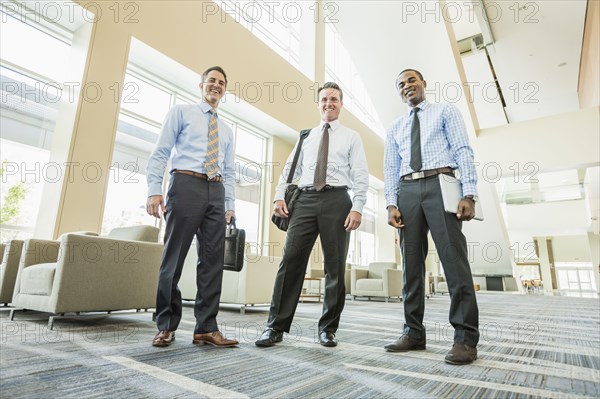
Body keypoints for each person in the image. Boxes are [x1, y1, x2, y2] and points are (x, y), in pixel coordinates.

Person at [255, 82, 369, 348]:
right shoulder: (306, 136)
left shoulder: (352, 137)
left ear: (341, 104)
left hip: (337, 200)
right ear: (318, 104)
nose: (329, 103)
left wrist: (358, 206)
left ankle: (328, 329)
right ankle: (275, 327)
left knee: (334, 266)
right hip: (304, 200)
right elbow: (289, 169)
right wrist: (278, 196)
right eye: (324, 99)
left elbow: (361, 174)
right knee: (291, 261)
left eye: (334, 99)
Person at [383, 69, 480, 365]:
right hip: (408, 190)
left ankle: (464, 338)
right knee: (411, 264)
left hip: (442, 185)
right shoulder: (395, 126)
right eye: (401, 84)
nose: (407, 86)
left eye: (412, 80)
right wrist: (391, 204)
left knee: (453, 260)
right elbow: (390, 168)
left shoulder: (445, 111)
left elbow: (463, 150)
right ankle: (413, 332)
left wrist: (469, 193)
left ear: (424, 83)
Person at [146, 66, 238, 348]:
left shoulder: (226, 129)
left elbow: (230, 170)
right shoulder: (181, 113)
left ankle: (206, 328)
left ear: (224, 90)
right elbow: (161, 151)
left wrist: (229, 204)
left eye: (221, 83)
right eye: (211, 81)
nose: (216, 86)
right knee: (173, 259)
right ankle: (166, 324)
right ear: (201, 86)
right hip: (185, 185)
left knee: (212, 263)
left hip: (216, 191)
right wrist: (154, 190)